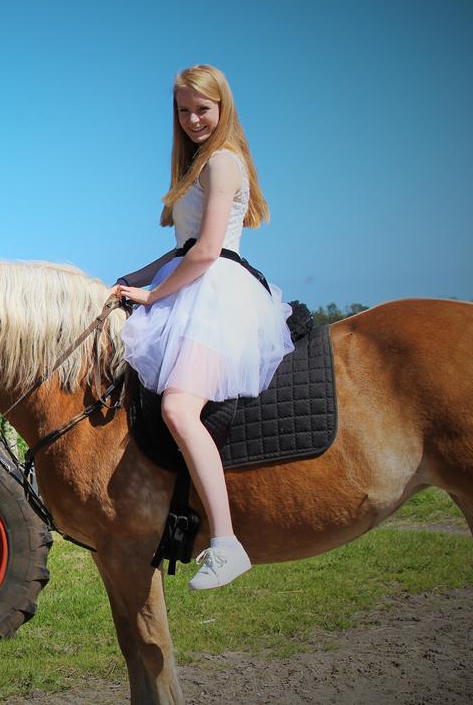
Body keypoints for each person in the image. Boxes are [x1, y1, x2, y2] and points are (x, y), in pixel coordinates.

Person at [110, 64, 294, 590]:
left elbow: (209, 251)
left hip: (216, 292)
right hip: (189, 281)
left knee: (177, 407)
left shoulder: (223, 162)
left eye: (202, 109)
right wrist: (129, 280)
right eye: (185, 110)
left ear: (222, 109)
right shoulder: (194, 165)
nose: (193, 119)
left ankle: (226, 543)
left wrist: (153, 294)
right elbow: (181, 249)